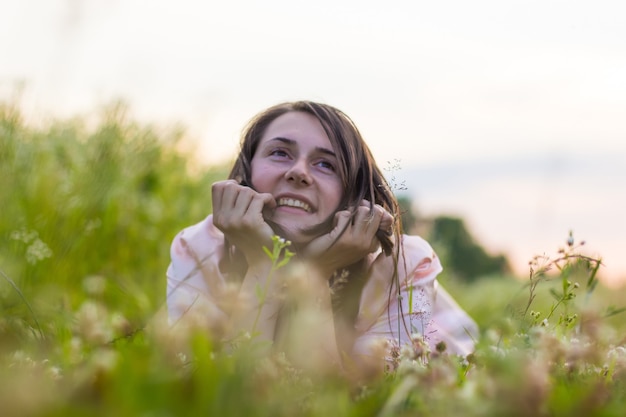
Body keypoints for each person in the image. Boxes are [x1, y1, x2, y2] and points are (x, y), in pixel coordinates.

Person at [166, 101, 477, 376]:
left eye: (326, 164)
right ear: (247, 174)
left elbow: (336, 403)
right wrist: (264, 262)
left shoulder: (407, 265)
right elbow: (214, 395)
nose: (299, 172)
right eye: (279, 153)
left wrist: (314, 274)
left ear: (351, 195)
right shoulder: (199, 249)